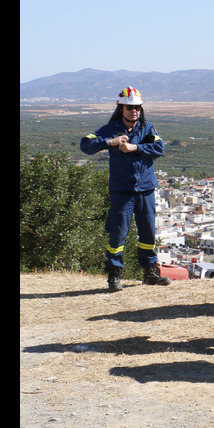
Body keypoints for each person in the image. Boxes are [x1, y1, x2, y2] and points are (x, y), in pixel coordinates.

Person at [81, 86, 170, 292]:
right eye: (129, 108)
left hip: (146, 189)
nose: (134, 111)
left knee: (148, 232)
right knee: (117, 234)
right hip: (122, 190)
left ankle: (150, 272)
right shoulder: (110, 129)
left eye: (137, 107)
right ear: (121, 109)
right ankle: (114, 276)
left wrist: (135, 147)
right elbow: (86, 144)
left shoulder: (148, 129)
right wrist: (110, 142)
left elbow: (159, 148)